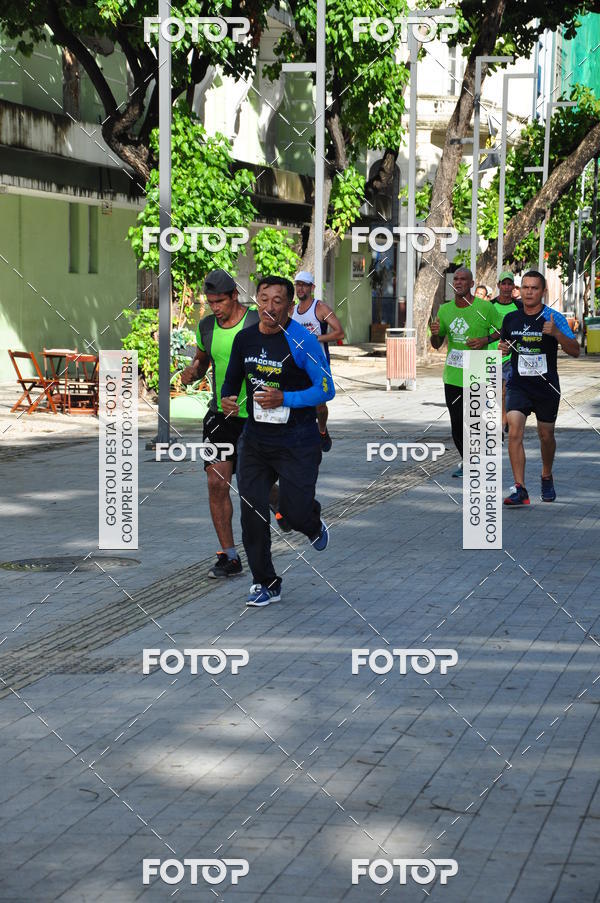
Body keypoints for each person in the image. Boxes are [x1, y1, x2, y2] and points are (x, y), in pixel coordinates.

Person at [221, 275, 335, 607]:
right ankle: (265, 582)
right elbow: (231, 382)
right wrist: (229, 400)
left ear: (288, 307)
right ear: (256, 300)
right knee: (252, 512)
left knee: (293, 513)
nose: (269, 307)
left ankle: (311, 522)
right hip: (255, 441)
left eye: (277, 301)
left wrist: (285, 398)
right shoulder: (244, 339)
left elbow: (326, 389)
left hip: (298, 440)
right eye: (264, 299)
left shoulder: (303, 341)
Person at [181, 269, 258, 578]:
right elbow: (202, 361)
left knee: (260, 490)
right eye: (210, 302)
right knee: (216, 483)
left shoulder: (255, 320)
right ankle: (230, 556)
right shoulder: (207, 327)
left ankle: (283, 504)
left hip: (255, 416)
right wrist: (192, 371)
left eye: (220, 302)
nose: (215, 308)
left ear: (234, 297)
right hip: (220, 417)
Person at [499, 270, 580, 506]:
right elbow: (505, 346)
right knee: (514, 431)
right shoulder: (511, 319)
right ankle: (520, 488)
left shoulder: (554, 318)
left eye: (534, 288)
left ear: (543, 291)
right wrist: (502, 349)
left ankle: (546, 474)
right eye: (525, 287)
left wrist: (556, 334)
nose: (529, 292)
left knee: (546, 436)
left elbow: (575, 350)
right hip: (518, 385)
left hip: (546, 387)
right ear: (520, 290)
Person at [430, 267, 502, 478]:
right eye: (456, 279)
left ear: (472, 284)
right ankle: (469, 460)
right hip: (453, 373)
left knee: (474, 420)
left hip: (478, 368)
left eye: (463, 279)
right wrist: (434, 335)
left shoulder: (485, 307)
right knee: (457, 423)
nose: (459, 282)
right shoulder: (444, 310)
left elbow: (501, 329)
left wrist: (485, 340)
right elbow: (436, 344)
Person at [292, 271, 344, 452]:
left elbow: (340, 332)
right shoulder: (292, 311)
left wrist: (317, 338)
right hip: (298, 364)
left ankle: (322, 430)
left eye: (304, 285)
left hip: (318, 363)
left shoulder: (320, 308)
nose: (300, 288)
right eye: (298, 284)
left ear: (312, 288)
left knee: (320, 405)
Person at [489, 271, 521, 437]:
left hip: (510, 357)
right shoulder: (490, 305)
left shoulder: (519, 306)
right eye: (504, 283)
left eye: (510, 284)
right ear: (498, 286)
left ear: (513, 287)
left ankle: (502, 423)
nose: (507, 287)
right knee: (492, 392)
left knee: (504, 391)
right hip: (490, 355)